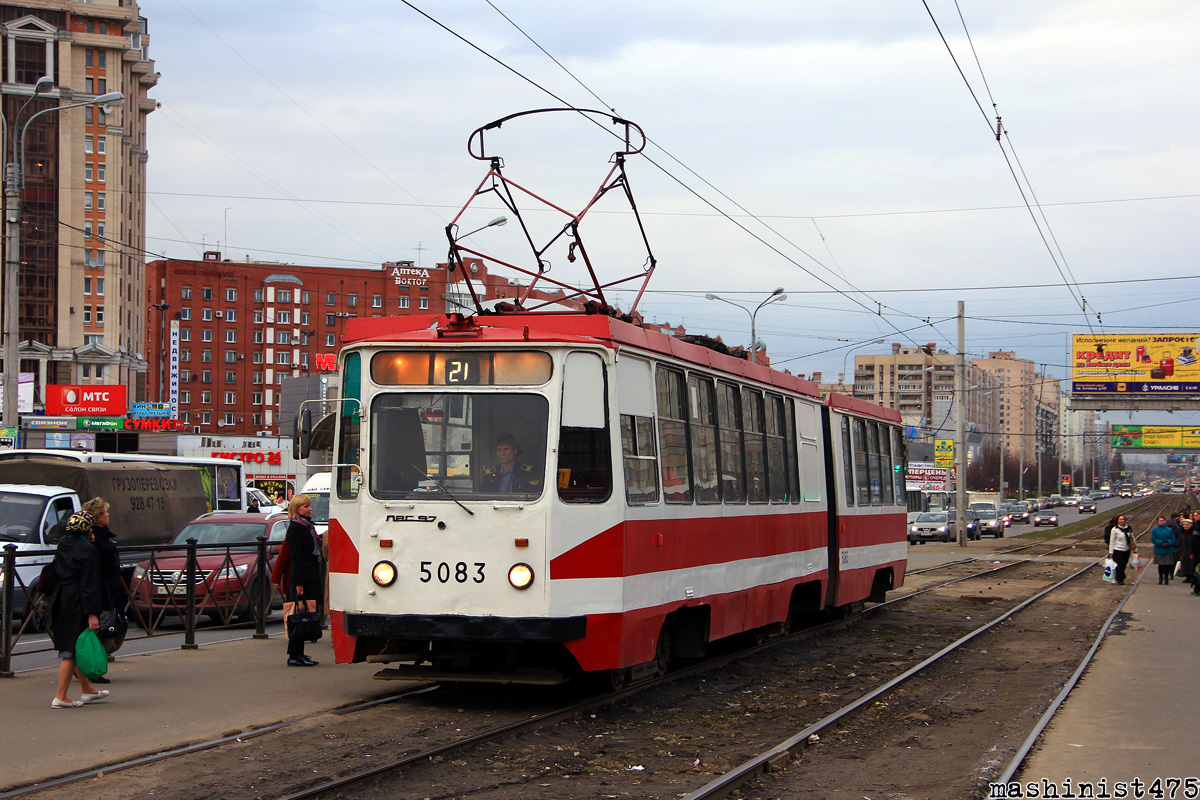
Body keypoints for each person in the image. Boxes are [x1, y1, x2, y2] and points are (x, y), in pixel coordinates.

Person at [45, 510, 109, 708]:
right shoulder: (88, 550)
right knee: (71, 650)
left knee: (76, 644)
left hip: (61, 597)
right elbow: (89, 584)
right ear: (88, 530)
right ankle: (60, 696)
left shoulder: (63, 544)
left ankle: (87, 690)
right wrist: (92, 613)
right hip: (78, 600)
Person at [84, 497, 124, 681]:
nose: (108, 514)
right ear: (99, 516)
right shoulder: (94, 540)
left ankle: (92, 667)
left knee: (109, 628)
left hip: (108, 589)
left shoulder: (101, 536)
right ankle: (92, 669)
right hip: (102, 591)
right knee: (104, 629)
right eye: (105, 512)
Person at [282, 494, 322, 667]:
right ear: (297, 508)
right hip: (302, 577)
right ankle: (293, 655)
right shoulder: (296, 528)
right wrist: (298, 583)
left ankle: (300, 653)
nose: (310, 508)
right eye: (306, 506)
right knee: (298, 616)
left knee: (305, 615)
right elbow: (296, 558)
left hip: (310, 575)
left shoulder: (306, 526)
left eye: (309, 506)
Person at [1107, 514, 1136, 586]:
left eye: (1123, 519)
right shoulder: (1115, 529)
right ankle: (1120, 579)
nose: (1122, 521)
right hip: (1118, 549)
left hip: (1126, 549)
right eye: (1120, 519)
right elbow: (1112, 541)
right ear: (1117, 521)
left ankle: (1121, 575)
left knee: (1124, 564)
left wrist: (1135, 548)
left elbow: (1132, 539)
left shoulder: (1128, 528)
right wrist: (1111, 552)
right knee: (1120, 564)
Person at [1150, 516, 1177, 585]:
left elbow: (1173, 539)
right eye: (1160, 521)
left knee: (1167, 565)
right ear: (1158, 522)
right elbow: (1153, 539)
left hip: (1168, 549)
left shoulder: (1169, 530)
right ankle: (1160, 577)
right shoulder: (1155, 530)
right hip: (1159, 549)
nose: (1161, 522)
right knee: (1161, 565)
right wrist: (1161, 543)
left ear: (1165, 521)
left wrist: (1168, 542)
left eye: (1163, 520)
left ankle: (1166, 578)